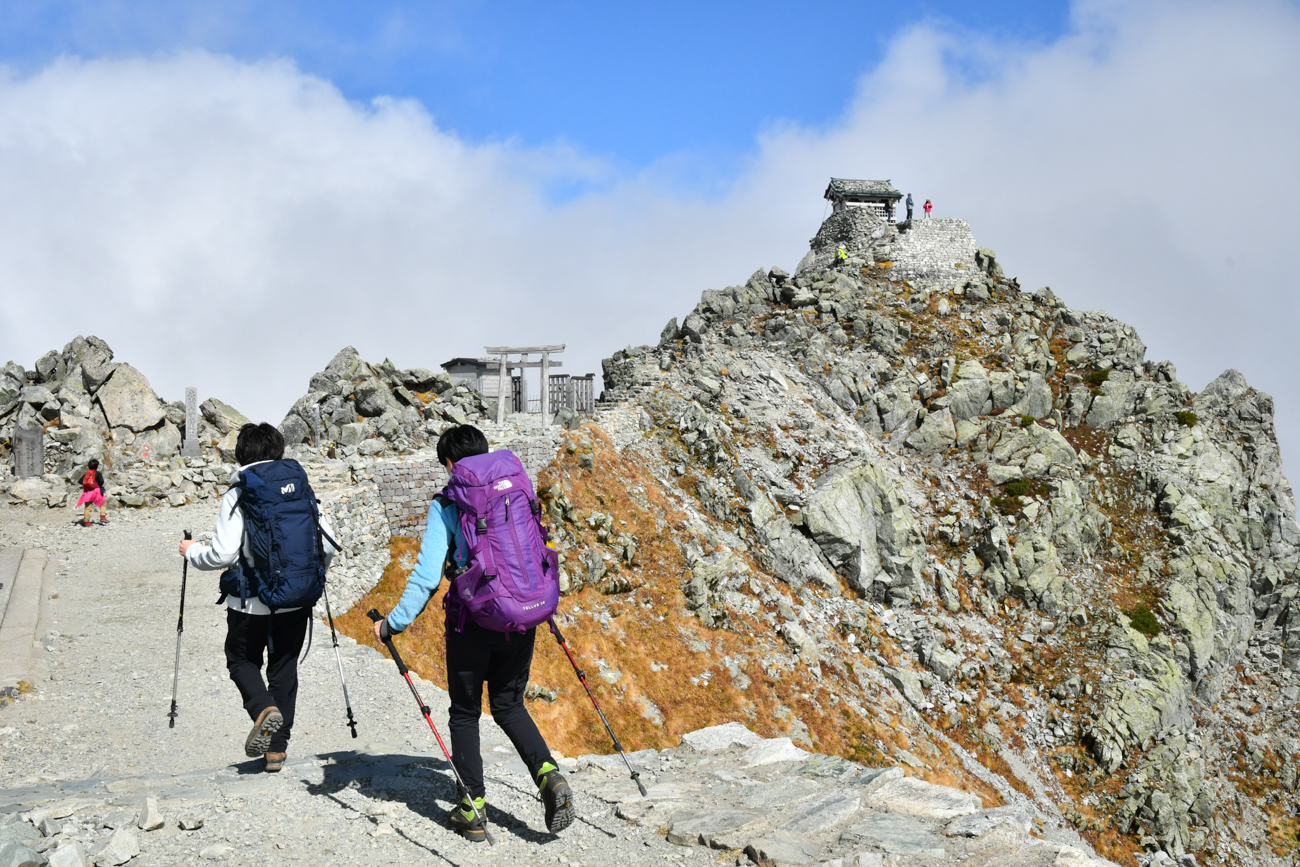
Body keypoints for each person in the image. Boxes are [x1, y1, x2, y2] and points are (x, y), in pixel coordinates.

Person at [371, 424, 574, 842]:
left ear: (450, 463)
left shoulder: (449, 502)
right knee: (508, 704)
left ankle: (472, 808)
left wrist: (391, 624)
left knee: (465, 712)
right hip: (521, 613)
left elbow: (427, 576)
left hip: (472, 621)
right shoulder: (514, 488)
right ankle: (548, 775)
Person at [179, 422, 339, 773]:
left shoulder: (241, 490)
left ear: (243, 453)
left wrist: (191, 551)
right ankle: (276, 752)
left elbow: (221, 555)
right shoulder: (301, 488)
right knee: (284, 667)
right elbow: (327, 543)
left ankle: (262, 709)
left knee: (240, 660)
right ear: (278, 449)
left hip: (251, 602)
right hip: (297, 598)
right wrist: (311, 578)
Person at [76, 459, 108, 527]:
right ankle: (102, 516)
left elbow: (80, 481)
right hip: (96, 491)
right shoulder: (98, 473)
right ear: (97, 466)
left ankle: (86, 522)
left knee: (87, 507)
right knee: (103, 503)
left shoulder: (86, 473)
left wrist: (87, 485)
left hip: (87, 492)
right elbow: (102, 481)